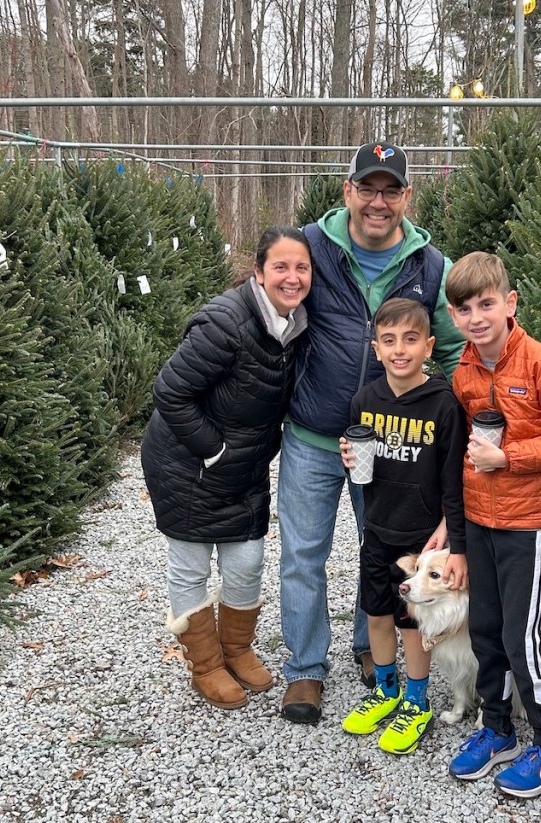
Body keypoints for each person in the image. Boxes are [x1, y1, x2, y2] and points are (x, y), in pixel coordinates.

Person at [278, 140, 466, 724]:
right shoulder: (311, 247)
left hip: (394, 445)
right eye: (368, 188)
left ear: (406, 196)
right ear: (348, 192)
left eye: (391, 190)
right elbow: (269, 302)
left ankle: (371, 648)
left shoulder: (431, 265)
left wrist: (469, 418)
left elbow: (455, 345)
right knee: (303, 555)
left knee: (386, 550)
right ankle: (306, 670)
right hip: (313, 435)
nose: (378, 202)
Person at [141, 226, 312, 710]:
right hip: (187, 463)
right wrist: (212, 449)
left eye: (301, 267)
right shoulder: (225, 322)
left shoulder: (295, 323)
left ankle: (236, 648)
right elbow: (170, 392)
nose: (292, 277)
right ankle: (205, 664)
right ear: (258, 271)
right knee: (191, 566)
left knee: (246, 562)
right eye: (280, 266)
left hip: (245, 466)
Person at [443, 252, 541, 798]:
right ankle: (497, 729)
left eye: (486, 304)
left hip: (530, 524)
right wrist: (452, 523)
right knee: (486, 631)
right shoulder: (463, 370)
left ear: (510, 303)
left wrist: (508, 459)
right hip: (480, 521)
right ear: (454, 316)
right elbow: (460, 450)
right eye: (464, 308)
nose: (477, 317)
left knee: (526, 637)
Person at [338, 298, 467, 754]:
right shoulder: (364, 400)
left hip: (421, 537)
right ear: (375, 349)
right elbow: (359, 466)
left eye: (410, 340)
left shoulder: (443, 405)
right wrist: (349, 457)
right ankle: (385, 690)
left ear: (428, 346)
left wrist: (451, 525)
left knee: (412, 621)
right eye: (388, 341)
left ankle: (416, 701)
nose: (399, 350)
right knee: (376, 612)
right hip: (377, 527)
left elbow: (454, 475)